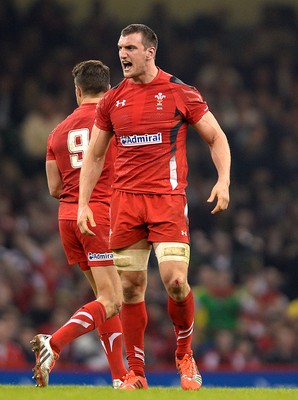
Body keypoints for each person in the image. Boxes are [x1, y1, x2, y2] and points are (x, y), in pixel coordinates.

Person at [77, 24, 231, 391]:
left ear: (150, 52)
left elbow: (216, 136)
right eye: (119, 47)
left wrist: (223, 180)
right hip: (125, 203)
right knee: (130, 289)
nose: (122, 54)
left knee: (176, 282)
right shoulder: (112, 100)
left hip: (167, 201)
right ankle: (136, 373)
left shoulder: (180, 92)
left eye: (130, 47)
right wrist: (84, 202)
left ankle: (184, 355)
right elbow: (95, 156)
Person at [30, 60, 127, 388]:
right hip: (98, 215)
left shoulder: (57, 131)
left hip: (68, 220)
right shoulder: (113, 121)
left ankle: (119, 378)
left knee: (104, 298)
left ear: (77, 90)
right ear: (109, 88)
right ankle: (53, 343)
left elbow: (54, 188)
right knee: (113, 299)